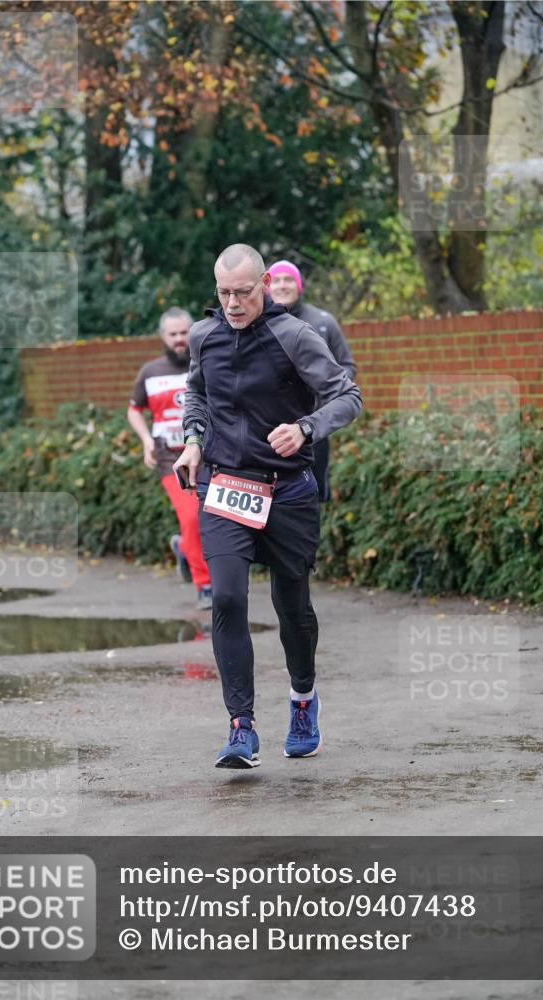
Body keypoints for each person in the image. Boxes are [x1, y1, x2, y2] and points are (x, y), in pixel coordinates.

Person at [174, 244, 362, 768]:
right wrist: (192, 439)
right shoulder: (203, 336)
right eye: (224, 292)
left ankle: (303, 700)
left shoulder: (296, 336)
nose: (232, 303)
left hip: (287, 493)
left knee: (292, 608)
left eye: (243, 292)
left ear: (264, 286)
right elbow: (197, 394)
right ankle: (241, 728)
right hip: (225, 487)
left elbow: (348, 396)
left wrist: (306, 427)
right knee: (228, 599)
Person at [128, 307, 213, 611]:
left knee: (212, 519)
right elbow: (134, 409)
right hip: (170, 460)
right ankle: (205, 586)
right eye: (173, 334)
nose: (179, 339)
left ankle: (182, 548)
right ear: (163, 337)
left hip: (209, 456)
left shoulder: (207, 363)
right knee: (191, 517)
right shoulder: (150, 373)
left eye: (184, 333)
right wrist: (146, 441)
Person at [267, 260, 356, 502]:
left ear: (299, 286)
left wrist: (325, 401)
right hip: (268, 428)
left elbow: (347, 366)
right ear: (266, 286)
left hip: (312, 427)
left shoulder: (323, 322)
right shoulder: (258, 324)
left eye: (289, 279)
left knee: (312, 493)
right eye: (276, 280)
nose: (283, 285)